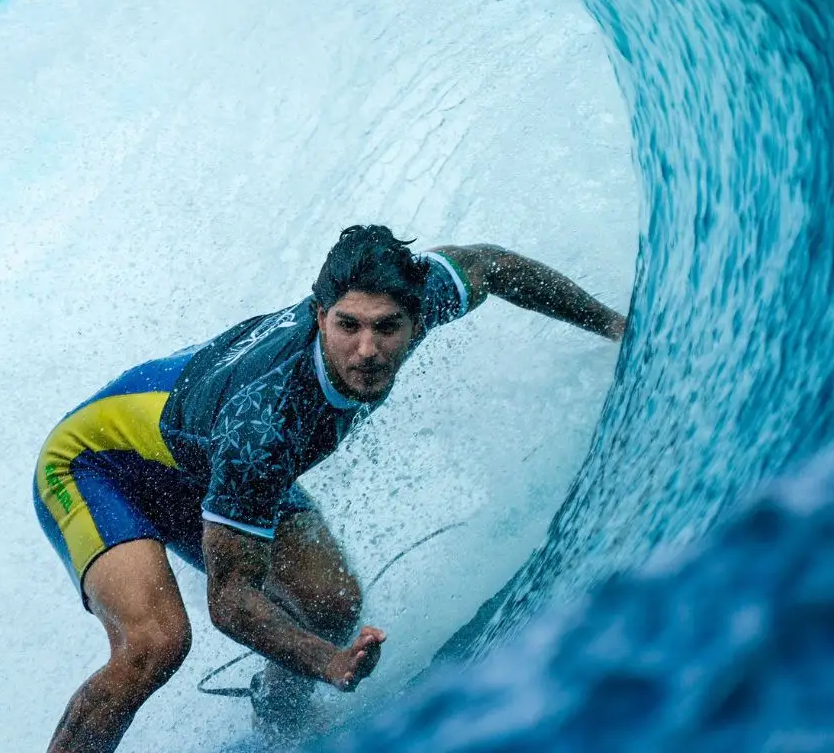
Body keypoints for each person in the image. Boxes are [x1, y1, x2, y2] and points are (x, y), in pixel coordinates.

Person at [33, 225, 626, 752]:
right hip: (98, 465)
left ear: (417, 319)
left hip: (204, 456)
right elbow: (230, 602)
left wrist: (617, 328)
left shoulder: (418, 297)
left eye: (387, 328)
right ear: (320, 317)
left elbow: (495, 266)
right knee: (157, 642)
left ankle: (280, 729)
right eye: (347, 327)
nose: (367, 350)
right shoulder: (265, 424)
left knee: (330, 604)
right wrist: (331, 665)